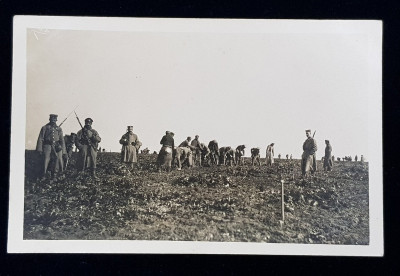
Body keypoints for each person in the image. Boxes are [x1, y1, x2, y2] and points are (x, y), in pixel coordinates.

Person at [36, 114, 67, 180]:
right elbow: (41, 138)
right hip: (47, 145)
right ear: (49, 119)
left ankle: (55, 175)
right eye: (52, 119)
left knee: (58, 159)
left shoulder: (59, 129)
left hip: (57, 146)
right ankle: (43, 174)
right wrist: (39, 149)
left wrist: (63, 150)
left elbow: (62, 140)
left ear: (56, 120)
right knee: (46, 159)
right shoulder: (45, 127)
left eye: (55, 119)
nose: (53, 120)